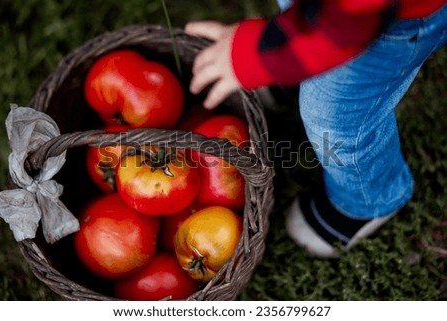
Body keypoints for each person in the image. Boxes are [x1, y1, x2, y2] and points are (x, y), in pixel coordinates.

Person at [184, 0, 447, 258]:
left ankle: (368, 200)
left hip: (376, 26)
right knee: (302, 23)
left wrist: (259, 55)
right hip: (323, 14)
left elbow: (346, 21)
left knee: (339, 121)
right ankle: (298, 61)